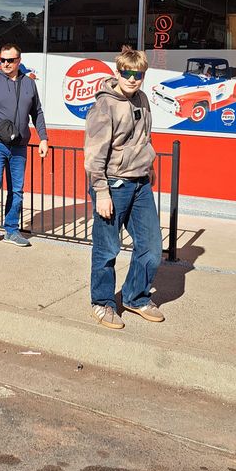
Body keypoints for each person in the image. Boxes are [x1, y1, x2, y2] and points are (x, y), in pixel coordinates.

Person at [84, 48, 164, 329]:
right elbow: (94, 154)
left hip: (140, 182)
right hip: (113, 184)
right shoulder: (105, 106)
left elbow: (144, 138)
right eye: (127, 73)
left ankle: (135, 297)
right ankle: (102, 303)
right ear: (117, 73)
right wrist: (101, 192)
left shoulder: (142, 99)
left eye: (138, 74)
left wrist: (148, 166)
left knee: (152, 247)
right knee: (107, 248)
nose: (132, 79)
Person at [0, 43, 48, 248]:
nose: (6, 64)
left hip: (19, 145)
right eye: (2, 60)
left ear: (19, 61)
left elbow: (37, 112)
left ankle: (11, 230)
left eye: (10, 60)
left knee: (17, 190)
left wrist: (43, 138)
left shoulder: (29, 84)